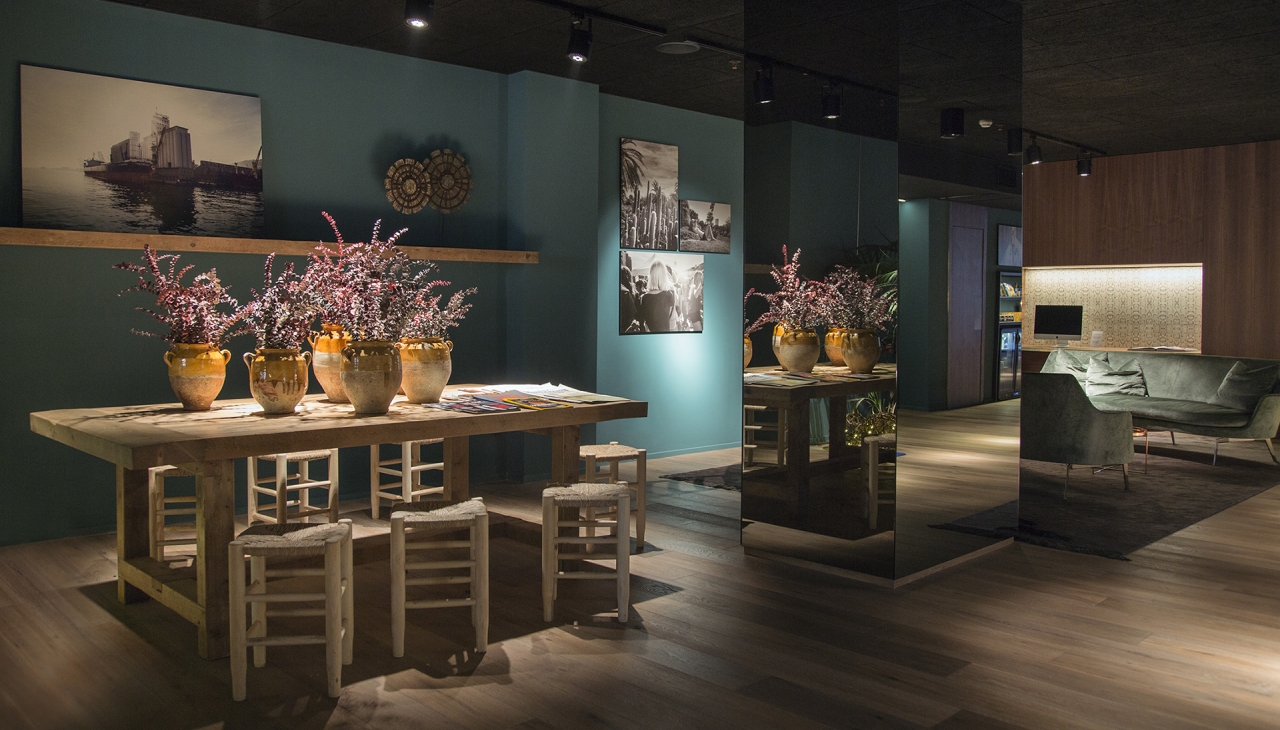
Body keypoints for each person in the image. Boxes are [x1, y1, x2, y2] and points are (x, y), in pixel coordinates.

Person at [638, 261, 675, 332]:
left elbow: (642, 323)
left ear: (651, 275)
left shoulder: (643, 298)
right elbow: (669, 318)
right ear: (664, 275)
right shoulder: (669, 295)